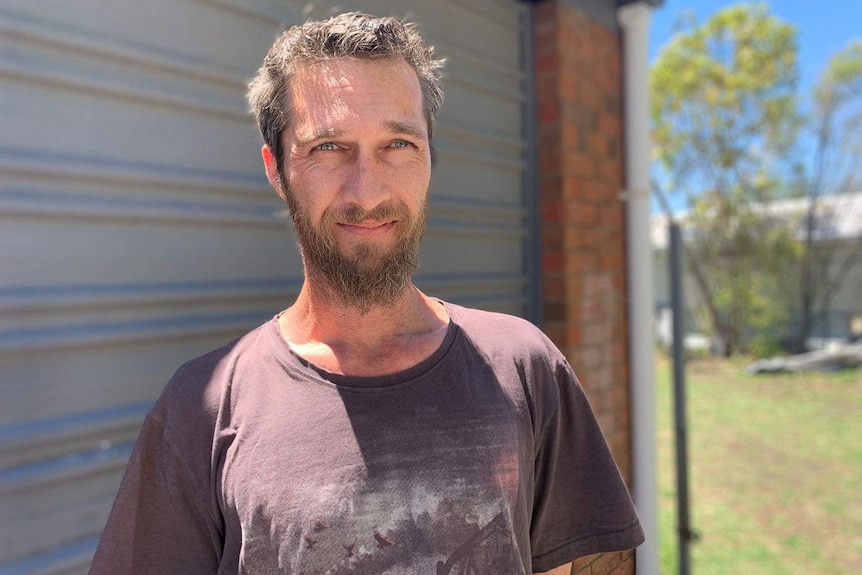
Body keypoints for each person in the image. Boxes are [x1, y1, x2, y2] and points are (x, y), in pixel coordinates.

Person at [90, 12, 643, 575]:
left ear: (430, 157)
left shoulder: (524, 366)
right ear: (276, 169)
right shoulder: (203, 406)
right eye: (329, 147)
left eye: (398, 144)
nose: (367, 189)